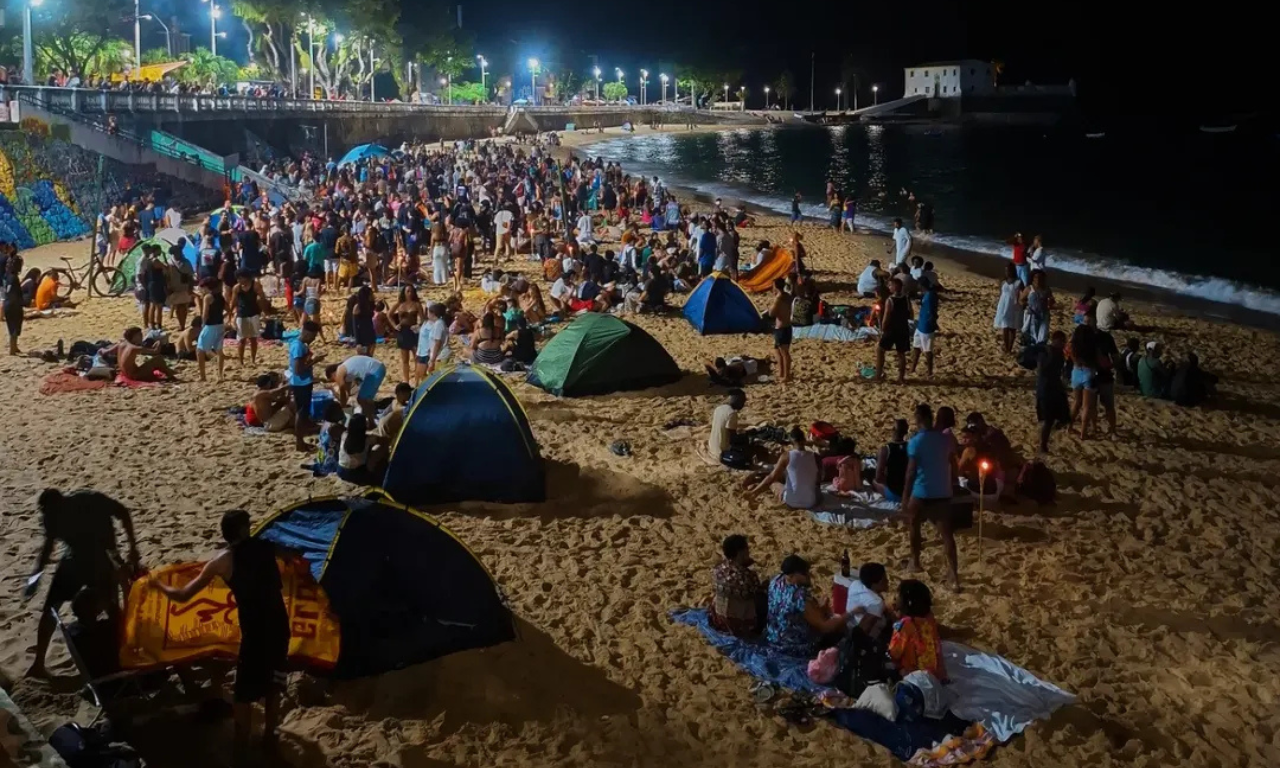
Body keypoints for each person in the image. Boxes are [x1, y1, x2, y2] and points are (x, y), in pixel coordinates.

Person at [151, 510, 289, 768]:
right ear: (243, 530)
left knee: (243, 695)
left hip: (256, 633)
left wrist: (158, 585)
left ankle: (241, 749)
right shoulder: (267, 547)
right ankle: (270, 738)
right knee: (274, 683)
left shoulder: (222, 561)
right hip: (280, 627)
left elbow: (183, 596)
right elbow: (293, 556)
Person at [24, 489, 140, 678]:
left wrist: (132, 546)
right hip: (74, 560)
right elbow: (47, 548)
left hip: (100, 558)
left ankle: (124, 652)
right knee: (51, 609)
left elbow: (123, 512)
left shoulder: (91, 500)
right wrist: (35, 577)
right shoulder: (51, 517)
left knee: (111, 608)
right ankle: (39, 664)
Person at [901, 404, 960, 591]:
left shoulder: (916, 442)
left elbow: (910, 472)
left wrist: (905, 496)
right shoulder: (944, 440)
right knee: (947, 535)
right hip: (942, 491)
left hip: (922, 491)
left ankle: (915, 561)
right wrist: (953, 483)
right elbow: (952, 463)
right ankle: (954, 574)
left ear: (918, 419)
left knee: (914, 525)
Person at [764, 555, 850, 658]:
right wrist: (849, 614)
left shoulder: (776, 580)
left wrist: (820, 608)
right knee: (840, 632)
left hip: (774, 637)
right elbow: (824, 627)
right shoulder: (799, 597)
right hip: (793, 646)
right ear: (791, 576)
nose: (808, 576)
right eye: (804, 573)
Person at [748, 427, 820, 510]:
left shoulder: (786, 456)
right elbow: (819, 478)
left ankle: (755, 495)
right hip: (810, 503)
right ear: (804, 440)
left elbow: (771, 477)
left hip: (791, 502)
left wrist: (754, 492)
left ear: (791, 441)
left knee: (774, 483)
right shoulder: (816, 457)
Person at [888, 579, 947, 681]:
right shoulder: (929, 618)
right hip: (937, 674)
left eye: (897, 595)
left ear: (907, 602)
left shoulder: (904, 625)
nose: (894, 598)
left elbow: (894, 654)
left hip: (915, 675)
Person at [708, 534, 764, 637]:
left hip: (718, 619)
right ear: (740, 552)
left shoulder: (718, 568)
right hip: (738, 626)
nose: (748, 551)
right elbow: (756, 591)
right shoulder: (748, 576)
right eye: (747, 548)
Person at [288, 321, 323, 452]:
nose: (313, 338)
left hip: (303, 382)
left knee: (303, 412)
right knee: (301, 413)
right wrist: (315, 361)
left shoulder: (301, 345)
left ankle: (301, 439)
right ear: (307, 333)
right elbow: (298, 369)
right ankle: (299, 442)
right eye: (313, 335)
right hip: (300, 383)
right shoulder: (298, 346)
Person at [1036, 331, 1071, 452]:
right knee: (1048, 419)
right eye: (1062, 341)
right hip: (1045, 388)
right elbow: (1042, 370)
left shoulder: (1060, 353)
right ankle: (1043, 445)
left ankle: (1047, 438)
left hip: (1056, 386)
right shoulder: (1046, 351)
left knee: (1064, 416)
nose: (1063, 344)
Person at [1069, 310, 1100, 440]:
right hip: (1089, 372)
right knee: (1087, 406)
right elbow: (1097, 359)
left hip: (1076, 371)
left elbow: (1071, 356)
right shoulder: (1092, 344)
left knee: (1076, 402)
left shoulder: (1074, 347)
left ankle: (1069, 426)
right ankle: (1083, 432)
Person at [876, 276, 913, 383]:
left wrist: (883, 328)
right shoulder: (906, 298)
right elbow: (910, 313)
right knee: (901, 353)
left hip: (892, 328)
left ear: (895, 287)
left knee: (880, 349)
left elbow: (886, 316)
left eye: (890, 285)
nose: (889, 287)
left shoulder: (890, 300)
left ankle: (878, 375)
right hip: (903, 327)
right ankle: (901, 378)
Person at [327, 353, 387, 419]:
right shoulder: (347, 372)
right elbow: (346, 395)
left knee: (362, 399)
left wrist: (341, 408)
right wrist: (333, 391)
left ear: (333, 374)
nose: (336, 381)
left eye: (333, 380)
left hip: (374, 370)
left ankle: (371, 422)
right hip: (379, 368)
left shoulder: (339, 370)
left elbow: (342, 389)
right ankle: (372, 418)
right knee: (367, 400)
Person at [845, 562, 894, 639]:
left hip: (850, 624)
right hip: (868, 635)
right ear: (875, 583)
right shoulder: (876, 603)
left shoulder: (855, 583)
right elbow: (863, 631)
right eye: (884, 579)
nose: (887, 581)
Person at [229, 270, 264, 367]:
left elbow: (262, 298)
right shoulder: (237, 288)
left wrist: (264, 310)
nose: (239, 280)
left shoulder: (256, 285)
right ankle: (241, 361)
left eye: (241, 277)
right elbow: (233, 302)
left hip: (254, 314)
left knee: (253, 339)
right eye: (238, 278)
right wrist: (230, 314)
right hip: (242, 314)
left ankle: (253, 360)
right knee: (241, 339)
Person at [872, 419, 910, 502]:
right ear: (906, 431)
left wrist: (889, 482)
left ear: (892, 430)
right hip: (909, 492)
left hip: (896, 494)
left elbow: (878, 477)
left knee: (874, 481)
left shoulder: (885, 449)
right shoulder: (911, 447)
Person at [195, 279, 226, 381]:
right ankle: (220, 375)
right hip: (220, 324)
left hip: (210, 325)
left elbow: (205, 313)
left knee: (200, 350)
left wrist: (203, 325)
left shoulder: (208, 297)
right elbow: (228, 309)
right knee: (219, 350)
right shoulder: (220, 297)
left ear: (207, 287)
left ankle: (203, 376)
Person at [993, 262, 1024, 354]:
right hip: (1003, 305)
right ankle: (1006, 348)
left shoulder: (1019, 282)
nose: (1007, 272)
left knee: (1012, 328)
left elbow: (1023, 294)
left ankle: (1010, 348)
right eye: (1006, 270)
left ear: (1013, 270)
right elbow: (1001, 294)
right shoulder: (1002, 281)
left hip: (1014, 306)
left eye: (1009, 270)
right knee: (1005, 327)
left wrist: (1022, 303)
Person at [416, 302, 450, 381]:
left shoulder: (439, 324)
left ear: (432, 313)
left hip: (440, 356)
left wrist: (432, 360)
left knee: (434, 379)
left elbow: (437, 343)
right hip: (437, 355)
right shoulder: (437, 323)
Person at [911, 280, 939, 377]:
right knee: (916, 346)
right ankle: (913, 368)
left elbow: (933, 311)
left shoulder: (931, 296)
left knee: (927, 350)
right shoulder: (927, 294)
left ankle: (930, 372)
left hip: (926, 325)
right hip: (921, 324)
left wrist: (933, 323)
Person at [709, 388, 746, 459]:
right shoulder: (732, 413)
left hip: (712, 445)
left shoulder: (719, 408)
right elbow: (733, 437)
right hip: (722, 449)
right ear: (736, 400)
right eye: (742, 401)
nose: (743, 404)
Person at [770, 278, 793, 384]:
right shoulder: (788, 296)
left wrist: (772, 304)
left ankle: (786, 375)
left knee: (784, 353)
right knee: (777, 350)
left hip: (781, 327)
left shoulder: (778, 299)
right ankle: (782, 373)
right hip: (788, 326)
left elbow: (772, 313)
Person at [1020, 269, 1052, 345]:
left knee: (1042, 336)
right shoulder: (1029, 289)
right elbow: (1021, 300)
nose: (1038, 279)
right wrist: (1025, 305)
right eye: (1036, 277)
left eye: (1040, 277)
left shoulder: (1047, 289)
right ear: (1033, 278)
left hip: (1043, 315)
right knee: (1030, 334)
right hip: (1031, 315)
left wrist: (1053, 304)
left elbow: (1051, 301)